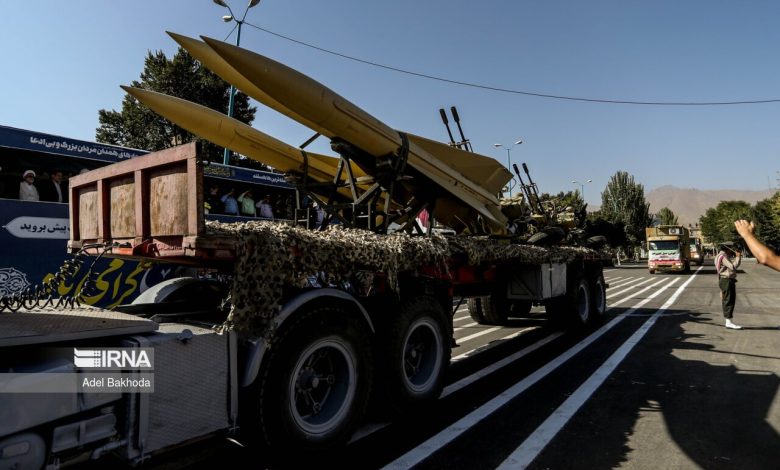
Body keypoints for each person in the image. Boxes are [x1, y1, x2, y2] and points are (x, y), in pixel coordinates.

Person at [715, 242, 742, 329]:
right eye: (731, 248)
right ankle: (728, 322)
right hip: (726, 280)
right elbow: (733, 266)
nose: (732, 250)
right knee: (729, 300)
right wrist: (738, 257)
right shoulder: (723, 257)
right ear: (727, 248)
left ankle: (728, 321)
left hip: (724, 280)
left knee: (727, 299)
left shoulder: (719, 255)